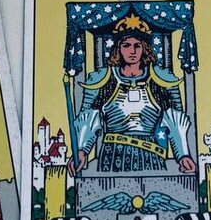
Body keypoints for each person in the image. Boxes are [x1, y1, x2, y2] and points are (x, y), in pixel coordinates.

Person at [72, 13, 195, 174]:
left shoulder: (159, 81)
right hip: (113, 156)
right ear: (118, 49)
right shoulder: (104, 80)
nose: (132, 51)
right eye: (126, 45)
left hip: (150, 156)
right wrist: (82, 150)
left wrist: (183, 155)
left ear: (144, 49)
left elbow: (175, 122)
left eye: (137, 45)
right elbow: (88, 119)